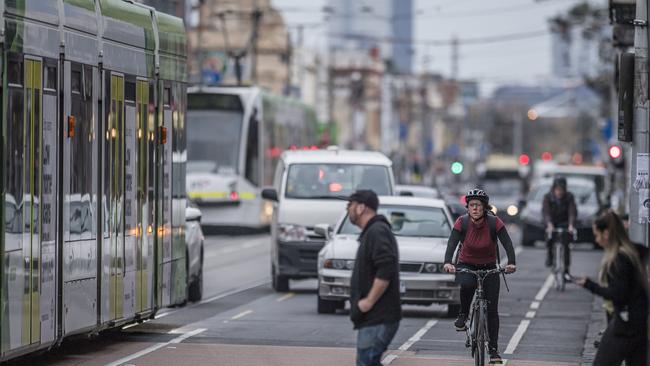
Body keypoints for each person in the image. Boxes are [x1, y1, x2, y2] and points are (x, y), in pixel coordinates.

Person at [443, 188, 516, 365]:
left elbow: (507, 242)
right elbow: (452, 243)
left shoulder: (494, 222)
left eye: (478, 205)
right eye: (471, 205)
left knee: (492, 310)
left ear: (485, 207)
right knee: (467, 285)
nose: (475, 208)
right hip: (466, 264)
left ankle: (493, 351)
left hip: (489, 266)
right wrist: (448, 262)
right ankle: (463, 314)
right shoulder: (462, 222)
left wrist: (512, 262)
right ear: (467, 207)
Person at [575, 211, 647, 366]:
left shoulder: (618, 259)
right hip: (641, 324)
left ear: (606, 233)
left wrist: (590, 285)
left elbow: (618, 294)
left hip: (625, 325)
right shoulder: (638, 250)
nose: (597, 240)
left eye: (597, 235)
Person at [347, 189, 401, 366]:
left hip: (378, 316)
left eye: (350, 205)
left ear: (361, 207)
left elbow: (386, 267)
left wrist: (368, 301)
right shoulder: (373, 231)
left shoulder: (377, 231)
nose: (347, 209)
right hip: (373, 318)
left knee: (367, 361)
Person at [542, 176, 577, 269]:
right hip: (552, 222)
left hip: (565, 222)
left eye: (562, 189)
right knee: (549, 238)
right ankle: (550, 256)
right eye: (557, 189)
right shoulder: (547, 197)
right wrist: (549, 224)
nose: (560, 192)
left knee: (566, 243)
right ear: (553, 189)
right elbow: (546, 212)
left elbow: (572, 211)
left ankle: (566, 268)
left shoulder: (570, 197)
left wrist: (571, 225)